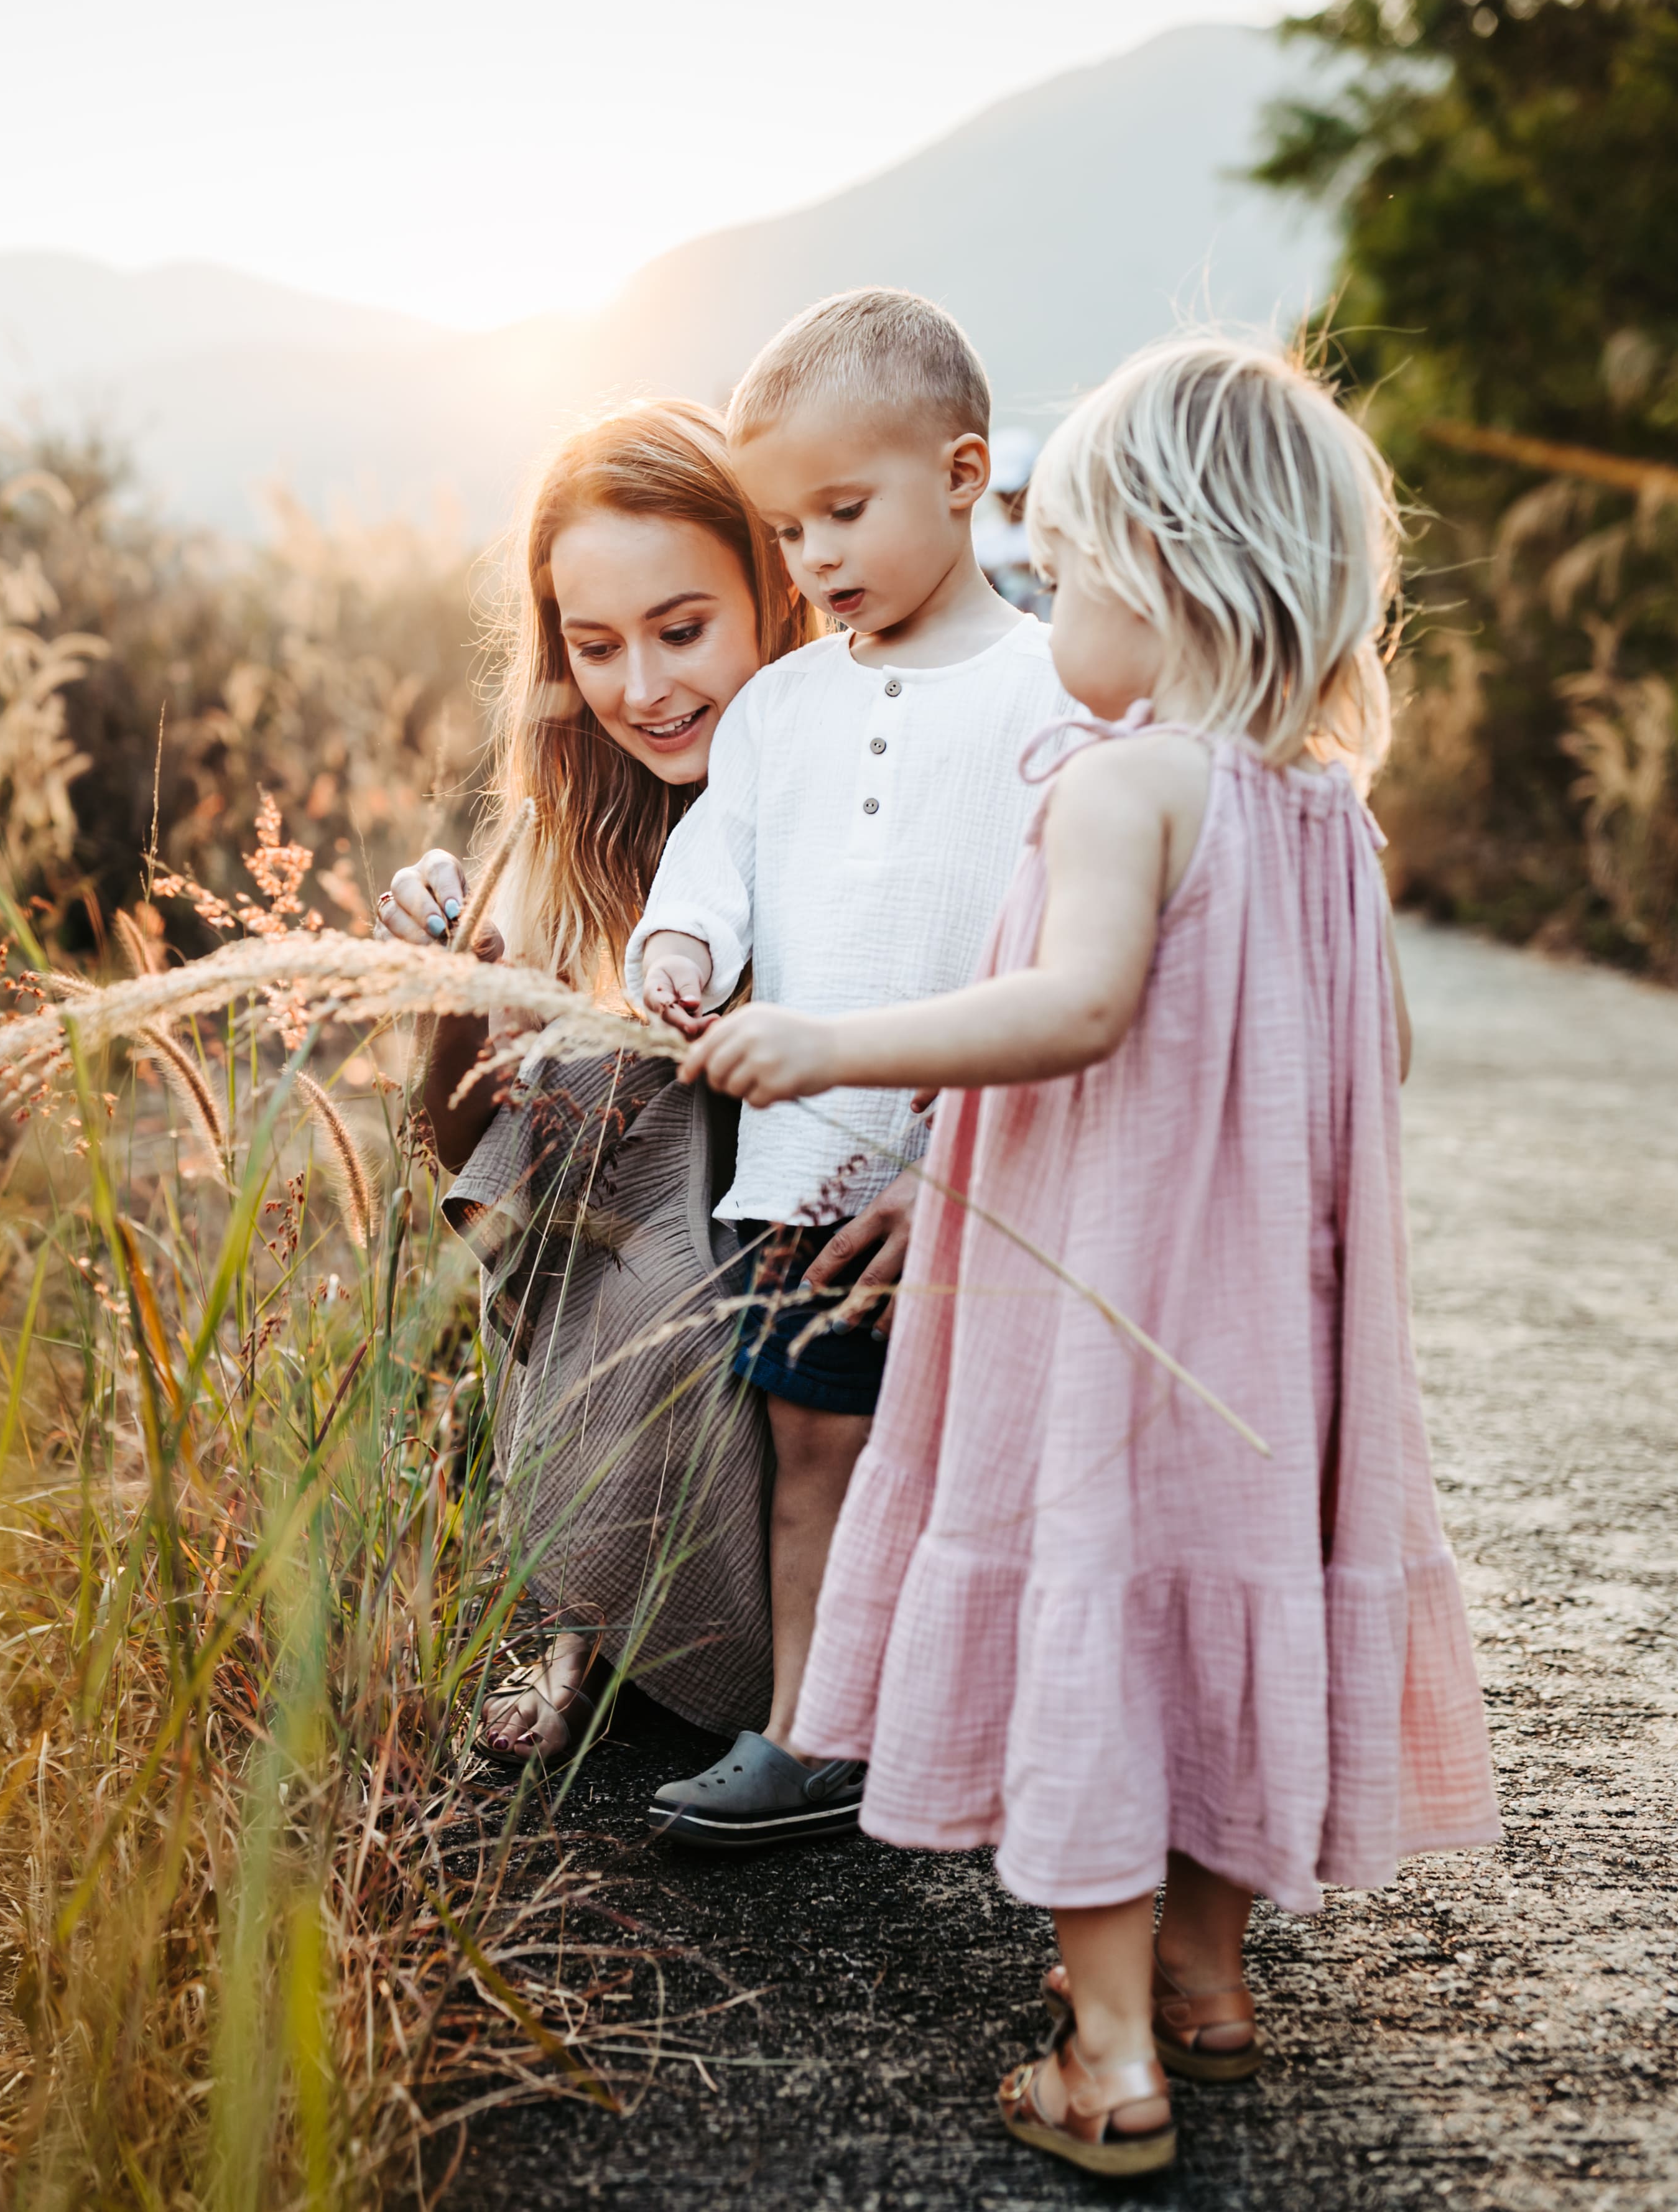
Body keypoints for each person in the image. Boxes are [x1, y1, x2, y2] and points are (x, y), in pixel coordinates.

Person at [685, 333, 1502, 2175]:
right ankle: (1208, 1991)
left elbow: (1070, 1009)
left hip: (1113, 1308)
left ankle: (1107, 2054)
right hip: (1266, 1333)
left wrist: (833, 1046)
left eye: (1068, 567)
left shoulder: (1128, 787)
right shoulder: (1324, 818)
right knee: (1223, 1605)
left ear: (1169, 573)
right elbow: (1371, 1063)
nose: (1048, 599)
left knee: (1107, 1619)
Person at [625, 288, 1073, 1849]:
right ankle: (811, 1729)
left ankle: (1027, 1737)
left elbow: (1068, 949)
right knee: (810, 1451)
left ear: (962, 474)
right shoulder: (775, 708)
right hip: (807, 1166)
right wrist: (676, 947)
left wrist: (972, 1139)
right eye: (784, 525)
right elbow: (712, 863)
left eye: (841, 510)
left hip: (999, 1176)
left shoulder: (1050, 691)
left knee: (1006, 1466)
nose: (809, 558)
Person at [378, 400, 815, 1762]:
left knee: (663, 1147)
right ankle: (591, 1627)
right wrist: (462, 987)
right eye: (596, 645)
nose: (644, 687)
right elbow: (460, 1153)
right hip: (668, 1263)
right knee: (599, 1124)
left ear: (775, 590)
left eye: (683, 630)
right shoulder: (562, 827)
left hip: (861, 1224)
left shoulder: (857, 786)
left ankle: (797, 1659)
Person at [974, 425, 1046, 614]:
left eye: (1015, 491)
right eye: (1002, 493)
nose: (1008, 500)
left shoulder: (1055, 534)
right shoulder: (979, 540)